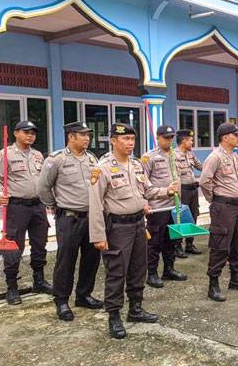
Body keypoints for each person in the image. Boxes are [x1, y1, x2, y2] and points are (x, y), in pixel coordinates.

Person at [89, 123, 178, 339]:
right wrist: (98, 236)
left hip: (139, 224)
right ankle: (114, 316)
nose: (129, 143)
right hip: (117, 228)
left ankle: (135, 309)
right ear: (112, 140)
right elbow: (95, 205)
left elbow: (147, 190)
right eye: (125, 139)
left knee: (139, 269)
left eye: (132, 139)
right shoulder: (102, 168)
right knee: (117, 272)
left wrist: (166, 190)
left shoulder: (137, 165)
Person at [38, 122, 102, 321]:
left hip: (91, 218)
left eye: (88, 135)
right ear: (71, 137)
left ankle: (83, 295)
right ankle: (62, 301)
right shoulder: (56, 159)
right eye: (82, 135)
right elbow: (43, 188)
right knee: (66, 260)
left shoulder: (92, 158)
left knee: (91, 258)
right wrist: (56, 207)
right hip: (69, 218)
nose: (87, 138)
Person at [0, 120, 53, 305]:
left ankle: (39, 280)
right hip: (17, 207)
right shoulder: (5, 154)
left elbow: (44, 181)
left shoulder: (38, 155)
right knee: (14, 246)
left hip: (38, 206)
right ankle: (12, 287)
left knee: (40, 244)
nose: (30, 135)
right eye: (26, 132)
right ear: (16, 133)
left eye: (33, 132)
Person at [199, 122, 238, 302]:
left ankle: (236, 279)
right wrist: (215, 200)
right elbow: (204, 181)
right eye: (235, 135)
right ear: (226, 137)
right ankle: (213, 284)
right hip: (223, 207)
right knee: (220, 245)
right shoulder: (214, 157)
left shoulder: (233, 156)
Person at [142, 125, 187, 288]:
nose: (169, 140)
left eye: (171, 137)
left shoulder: (177, 155)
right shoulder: (149, 158)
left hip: (174, 207)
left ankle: (169, 269)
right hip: (158, 207)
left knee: (171, 240)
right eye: (166, 137)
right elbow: (144, 185)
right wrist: (164, 192)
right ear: (158, 137)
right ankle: (152, 273)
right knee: (155, 242)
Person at [174, 129, 202, 258]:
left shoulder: (191, 154)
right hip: (182, 190)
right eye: (190, 140)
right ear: (184, 140)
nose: (192, 142)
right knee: (181, 217)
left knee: (194, 215)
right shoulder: (174, 155)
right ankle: (177, 245)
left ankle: (189, 244)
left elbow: (200, 166)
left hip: (193, 189)